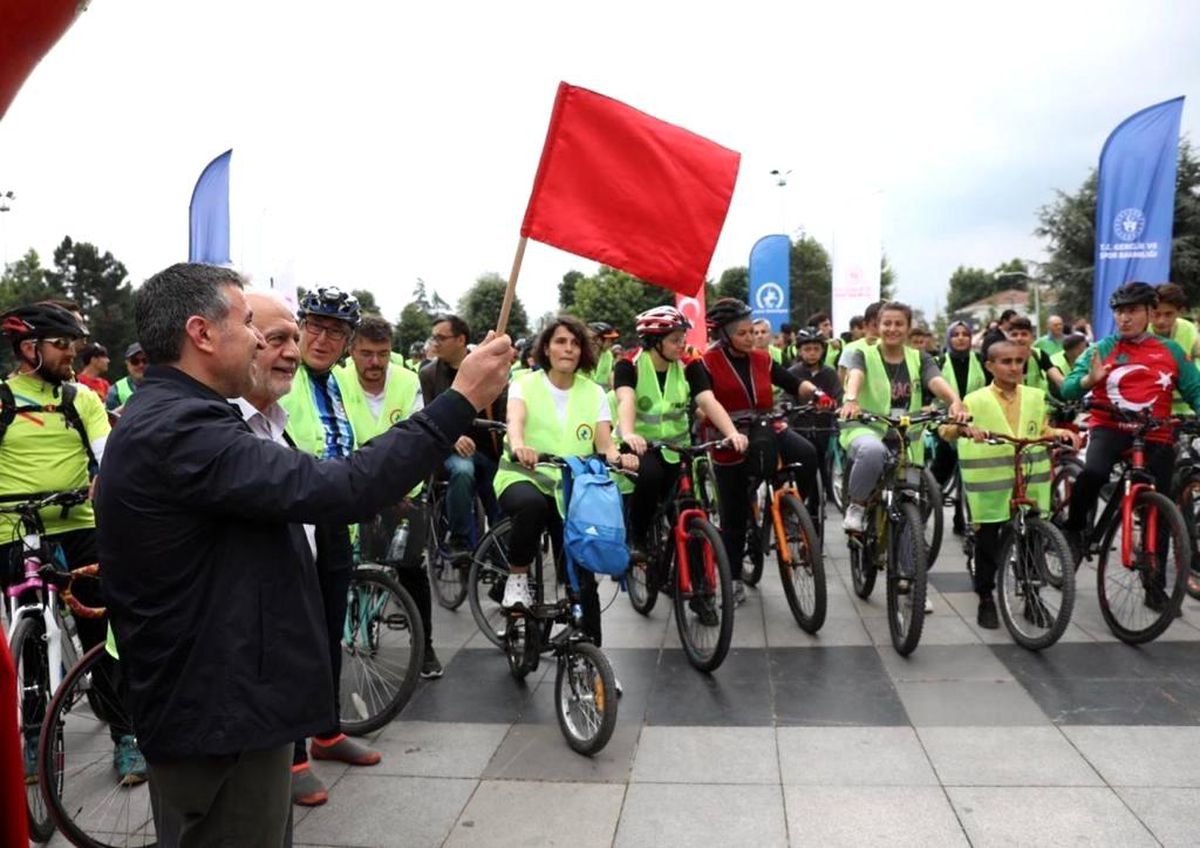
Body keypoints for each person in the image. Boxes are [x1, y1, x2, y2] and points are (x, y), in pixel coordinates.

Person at [97, 263, 510, 845]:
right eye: (249, 324)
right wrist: (461, 398)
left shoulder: (185, 417)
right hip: (221, 715)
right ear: (202, 333)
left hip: (224, 703)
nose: (263, 342)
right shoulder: (183, 428)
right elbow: (339, 488)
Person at [0, 302, 146, 785]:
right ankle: (35, 737)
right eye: (62, 344)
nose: (72, 352)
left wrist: (111, 487)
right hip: (14, 529)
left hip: (78, 522)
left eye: (74, 345)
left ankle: (126, 736)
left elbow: (109, 457)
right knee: (31, 645)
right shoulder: (2, 400)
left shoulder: (80, 399)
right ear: (29, 349)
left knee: (102, 634)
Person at [277, 286, 386, 802]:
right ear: (300, 326)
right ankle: (291, 754)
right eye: (315, 327)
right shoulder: (283, 375)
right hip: (297, 516)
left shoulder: (335, 383)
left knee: (328, 629)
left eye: (336, 331)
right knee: (297, 634)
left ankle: (326, 731)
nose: (323, 338)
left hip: (333, 516)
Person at [493, 316, 638, 648]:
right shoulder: (525, 383)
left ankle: (595, 660)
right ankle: (516, 579)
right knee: (531, 506)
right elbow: (516, 420)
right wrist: (519, 446)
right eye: (560, 341)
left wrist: (620, 458)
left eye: (574, 343)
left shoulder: (594, 392)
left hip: (573, 487)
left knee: (582, 571)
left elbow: (604, 443)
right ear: (546, 347)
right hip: (522, 475)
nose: (568, 348)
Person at [1060, 282, 1200, 584]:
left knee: (1160, 508)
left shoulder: (1171, 351)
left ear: (1149, 312)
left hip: (1155, 435)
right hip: (1110, 428)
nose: (1124, 318)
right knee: (1094, 472)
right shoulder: (1101, 348)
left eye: (1133, 311)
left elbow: (1196, 391)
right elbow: (1067, 388)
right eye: (1119, 312)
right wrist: (1089, 379)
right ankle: (1073, 530)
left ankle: (1155, 583)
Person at [939, 340, 1080, 627]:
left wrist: (1058, 432)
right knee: (988, 541)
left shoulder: (1036, 396)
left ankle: (1032, 596)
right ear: (990, 366)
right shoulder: (975, 399)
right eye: (1006, 362)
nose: (1014, 367)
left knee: (1032, 539)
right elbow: (946, 429)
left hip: (1027, 480)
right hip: (990, 486)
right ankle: (986, 597)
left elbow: (1040, 428)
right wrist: (966, 428)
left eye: (1019, 361)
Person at [701, 299, 832, 602]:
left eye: (752, 331)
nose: (751, 338)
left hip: (766, 428)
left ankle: (795, 513)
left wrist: (817, 394)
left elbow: (793, 382)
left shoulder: (762, 359)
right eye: (743, 333)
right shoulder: (708, 363)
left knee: (808, 453)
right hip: (728, 440)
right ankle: (732, 578)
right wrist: (717, 426)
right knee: (734, 516)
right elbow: (703, 402)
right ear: (724, 335)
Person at [338, 315, 441, 684]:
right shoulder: (336, 380)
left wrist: (398, 488)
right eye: (366, 354)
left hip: (399, 490)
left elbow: (417, 442)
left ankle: (424, 645)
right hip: (349, 485)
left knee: (412, 568)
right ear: (350, 352)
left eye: (382, 354)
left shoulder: (409, 381)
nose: (375, 363)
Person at [615, 306, 749, 570]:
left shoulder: (690, 365)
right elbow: (625, 399)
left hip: (680, 447)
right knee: (651, 477)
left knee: (688, 505)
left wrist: (732, 432)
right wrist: (629, 433)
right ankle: (638, 538)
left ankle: (700, 586)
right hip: (642, 446)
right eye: (675, 340)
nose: (682, 345)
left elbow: (707, 401)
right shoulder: (628, 364)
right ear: (654, 342)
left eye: (683, 339)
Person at [838, 301, 968, 540]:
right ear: (878, 326)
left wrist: (954, 401)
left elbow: (935, 380)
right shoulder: (863, 353)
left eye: (899, 324)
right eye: (887, 323)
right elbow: (855, 375)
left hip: (905, 438)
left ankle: (908, 574)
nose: (892, 329)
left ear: (908, 328)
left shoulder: (920, 358)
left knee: (910, 505)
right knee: (872, 451)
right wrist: (851, 399)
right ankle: (857, 505)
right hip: (867, 428)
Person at [420, 314, 504, 556]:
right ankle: (460, 541)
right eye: (433, 337)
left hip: (486, 451)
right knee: (463, 470)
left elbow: (501, 410)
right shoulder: (428, 374)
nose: (434, 343)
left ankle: (501, 554)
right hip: (446, 450)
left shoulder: (484, 368)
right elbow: (425, 416)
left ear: (461, 340)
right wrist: (452, 437)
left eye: (441, 337)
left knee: (501, 487)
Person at [931, 320, 988, 535]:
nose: (961, 338)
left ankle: (961, 517)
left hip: (975, 421)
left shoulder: (981, 361)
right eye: (956, 334)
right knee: (941, 470)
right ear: (949, 338)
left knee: (970, 473)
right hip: (946, 422)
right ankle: (927, 506)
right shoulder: (940, 361)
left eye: (965, 334)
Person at [788, 327, 843, 493]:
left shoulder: (830, 373)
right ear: (799, 351)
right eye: (807, 349)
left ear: (822, 351)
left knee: (825, 463)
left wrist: (834, 406)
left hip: (825, 428)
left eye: (816, 349)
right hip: (800, 428)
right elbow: (786, 398)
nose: (812, 353)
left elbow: (839, 397)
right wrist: (790, 408)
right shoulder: (792, 373)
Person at [1150, 282, 1200, 416]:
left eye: (1168, 314)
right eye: (1156, 314)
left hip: (1188, 409)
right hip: (1152, 409)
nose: (1161, 320)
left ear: (1180, 312)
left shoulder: (1189, 329)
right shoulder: (1141, 331)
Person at [1005, 316, 1064, 394]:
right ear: (1007, 338)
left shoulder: (1039, 354)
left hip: (1039, 404)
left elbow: (1059, 379)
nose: (1019, 338)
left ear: (1031, 337)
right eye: (1014, 335)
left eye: (1024, 334)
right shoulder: (1001, 360)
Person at [105, 341, 146, 412]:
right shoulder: (116, 391)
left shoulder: (163, 385)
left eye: (145, 361)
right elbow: (106, 420)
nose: (141, 365)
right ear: (127, 363)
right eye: (135, 361)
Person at [586, 321, 620, 389]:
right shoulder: (583, 354)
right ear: (598, 339)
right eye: (610, 340)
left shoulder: (608, 355)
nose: (611, 343)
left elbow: (610, 376)